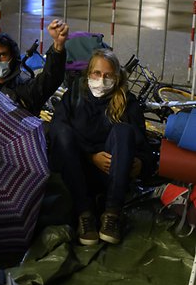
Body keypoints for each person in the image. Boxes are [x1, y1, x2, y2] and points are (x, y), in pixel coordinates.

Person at [48, 49, 153, 246]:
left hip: (112, 175)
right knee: (61, 131)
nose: (101, 80)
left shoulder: (127, 102)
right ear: (88, 74)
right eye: (96, 73)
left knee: (124, 131)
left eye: (108, 75)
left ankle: (112, 215)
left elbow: (145, 149)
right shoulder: (74, 97)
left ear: (117, 76)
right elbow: (56, 133)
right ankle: (84, 214)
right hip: (76, 171)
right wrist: (90, 156)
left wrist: (141, 162)